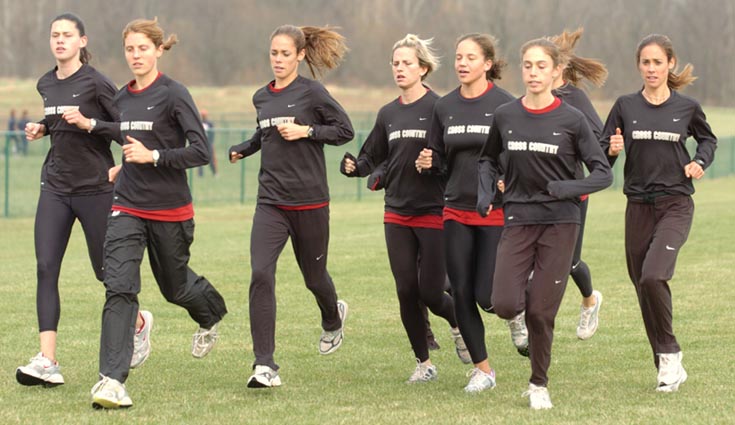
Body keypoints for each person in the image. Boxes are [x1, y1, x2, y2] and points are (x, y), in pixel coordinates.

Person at [66, 17, 228, 409]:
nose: (136, 55)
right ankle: (111, 380)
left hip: (170, 210)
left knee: (176, 288)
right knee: (119, 286)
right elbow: (131, 143)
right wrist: (127, 165)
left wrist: (153, 157)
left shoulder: (174, 94)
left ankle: (211, 314)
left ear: (158, 50)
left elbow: (200, 152)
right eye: (130, 49)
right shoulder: (121, 98)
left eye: (143, 48)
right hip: (126, 205)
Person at [15, 12, 151, 389]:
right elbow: (58, 122)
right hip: (55, 187)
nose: (59, 41)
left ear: (82, 42)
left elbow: (124, 126)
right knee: (45, 267)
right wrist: (41, 128)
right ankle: (47, 360)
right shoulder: (46, 83)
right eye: (54, 35)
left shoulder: (96, 83)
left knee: (106, 272)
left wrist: (97, 131)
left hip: (95, 189)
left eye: (67, 35)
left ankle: (139, 324)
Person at [478, 38, 612, 409]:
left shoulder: (572, 119)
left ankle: (539, 384)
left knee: (541, 311)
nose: (533, 73)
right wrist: (486, 192)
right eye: (527, 65)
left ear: (556, 72)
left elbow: (602, 174)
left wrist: (567, 187)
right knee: (503, 303)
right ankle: (529, 304)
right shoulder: (506, 115)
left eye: (541, 66)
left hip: (560, 223)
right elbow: (488, 160)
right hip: (518, 219)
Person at [229, 24, 353, 389]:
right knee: (260, 274)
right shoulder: (261, 97)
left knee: (314, 278)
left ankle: (332, 317)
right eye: (274, 53)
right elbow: (264, 133)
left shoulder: (312, 92)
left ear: (300, 55)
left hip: (310, 201)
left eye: (285, 54)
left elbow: (344, 130)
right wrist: (245, 148)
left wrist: (307, 131)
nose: (278, 60)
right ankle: (264, 365)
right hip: (271, 201)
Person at [340, 34, 467, 383]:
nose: (399, 68)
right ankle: (424, 364)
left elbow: (455, 158)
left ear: (423, 68)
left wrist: (435, 160)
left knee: (430, 290)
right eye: (395, 63)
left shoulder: (440, 109)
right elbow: (373, 156)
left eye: (407, 63)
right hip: (396, 211)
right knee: (405, 290)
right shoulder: (388, 113)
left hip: (433, 210)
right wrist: (355, 167)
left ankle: (458, 325)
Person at [600, 34, 716, 393]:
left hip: (675, 204)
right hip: (636, 206)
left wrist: (699, 162)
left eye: (657, 62)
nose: (651, 69)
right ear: (639, 66)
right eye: (645, 63)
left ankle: (669, 353)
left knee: (653, 276)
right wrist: (613, 150)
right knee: (642, 287)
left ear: (670, 64)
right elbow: (603, 157)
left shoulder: (687, 107)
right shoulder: (624, 106)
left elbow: (708, 140)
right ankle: (666, 363)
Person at [415, 33, 522, 393]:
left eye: (470, 57)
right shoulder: (443, 107)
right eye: (459, 57)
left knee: (486, 296)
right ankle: (483, 370)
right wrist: (429, 162)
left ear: (487, 64)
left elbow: (518, 154)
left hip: (493, 210)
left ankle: (515, 310)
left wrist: (510, 180)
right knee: (460, 292)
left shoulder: (506, 105)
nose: (462, 63)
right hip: (455, 208)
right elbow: (440, 159)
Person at [549, 28, 608, 339]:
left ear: (557, 67)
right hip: (533, 194)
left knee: (569, 261)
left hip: (571, 194)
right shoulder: (526, 101)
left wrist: (610, 149)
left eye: (541, 63)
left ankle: (589, 300)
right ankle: (535, 323)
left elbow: (598, 145)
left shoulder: (575, 98)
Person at [197, 109, 217, 176]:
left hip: (208, 143)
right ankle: (200, 174)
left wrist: (211, 142)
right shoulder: (199, 122)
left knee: (211, 158)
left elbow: (212, 134)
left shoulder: (209, 123)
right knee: (200, 158)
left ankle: (214, 172)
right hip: (201, 143)